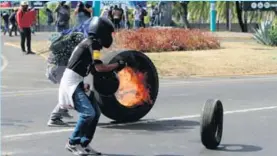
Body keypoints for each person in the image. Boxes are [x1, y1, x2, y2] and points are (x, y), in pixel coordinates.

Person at [60, 16, 127, 155]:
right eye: (109, 33)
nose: (109, 36)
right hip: (71, 81)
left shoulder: (90, 43)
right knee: (88, 113)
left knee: (96, 113)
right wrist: (117, 65)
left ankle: (84, 143)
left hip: (78, 80)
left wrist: (86, 82)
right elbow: (99, 68)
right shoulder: (93, 44)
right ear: (101, 31)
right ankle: (72, 142)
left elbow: (90, 68)